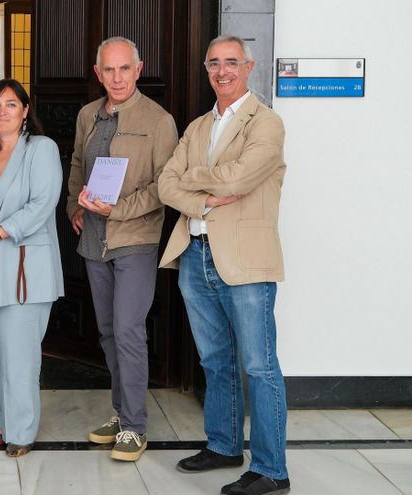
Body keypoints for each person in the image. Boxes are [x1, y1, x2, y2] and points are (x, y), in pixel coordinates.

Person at [158, 35, 290, 495]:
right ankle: (224, 445)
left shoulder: (267, 124)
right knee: (215, 362)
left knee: (259, 366)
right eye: (214, 63)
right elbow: (165, 184)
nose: (222, 71)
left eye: (231, 62)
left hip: (246, 261)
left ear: (248, 67)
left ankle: (273, 470)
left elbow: (242, 176)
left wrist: (195, 185)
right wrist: (209, 194)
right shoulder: (197, 127)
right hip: (196, 256)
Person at [67, 36, 178, 462]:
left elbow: (164, 186)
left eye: (124, 69)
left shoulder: (159, 120)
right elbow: (78, 164)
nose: (116, 77)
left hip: (135, 240)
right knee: (109, 332)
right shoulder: (86, 116)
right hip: (94, 240)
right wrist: (74, 205)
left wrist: (118, 210)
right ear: (98, 73)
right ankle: (121, 412)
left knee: (129, 332)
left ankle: (135, 426)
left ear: (139, 69)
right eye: (108, 70)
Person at [0, 79, 64, 458]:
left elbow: (42, 204)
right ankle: (4, 426)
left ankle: (22, 433)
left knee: (20, 357)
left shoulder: (41, 149)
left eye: (11, 104)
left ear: (25, 111)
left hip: (23, 271)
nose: (2, 111)